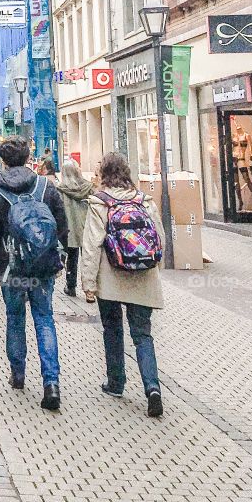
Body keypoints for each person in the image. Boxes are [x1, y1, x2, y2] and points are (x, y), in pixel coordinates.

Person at [0, 136, 68, 411]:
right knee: (44, 319)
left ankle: (18, 374)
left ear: (3, 160)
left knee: (15, 318)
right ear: (29, 157)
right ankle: (51, 383)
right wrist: (58, 256)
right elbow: (61, 225)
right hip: (42, 266)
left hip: (13, 268)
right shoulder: (46, 186)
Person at [80, 152, 166, 417]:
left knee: (113, 330)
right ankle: (152, 387)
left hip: (111, 278)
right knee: (143, 334)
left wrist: (88, 283)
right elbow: (159, 237)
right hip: (143, 277)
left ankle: (116, 383)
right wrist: (155, 270)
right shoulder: (145, 201)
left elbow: (92, 245)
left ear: (103, 175)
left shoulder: (100, 204)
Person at [56, 160, 93, 298]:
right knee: (89, 259)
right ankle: (90, 291)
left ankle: (71, 286)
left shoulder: (60, 190)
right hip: (87, 228)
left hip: (69, 229)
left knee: (72, 258)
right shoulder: (88, 188)